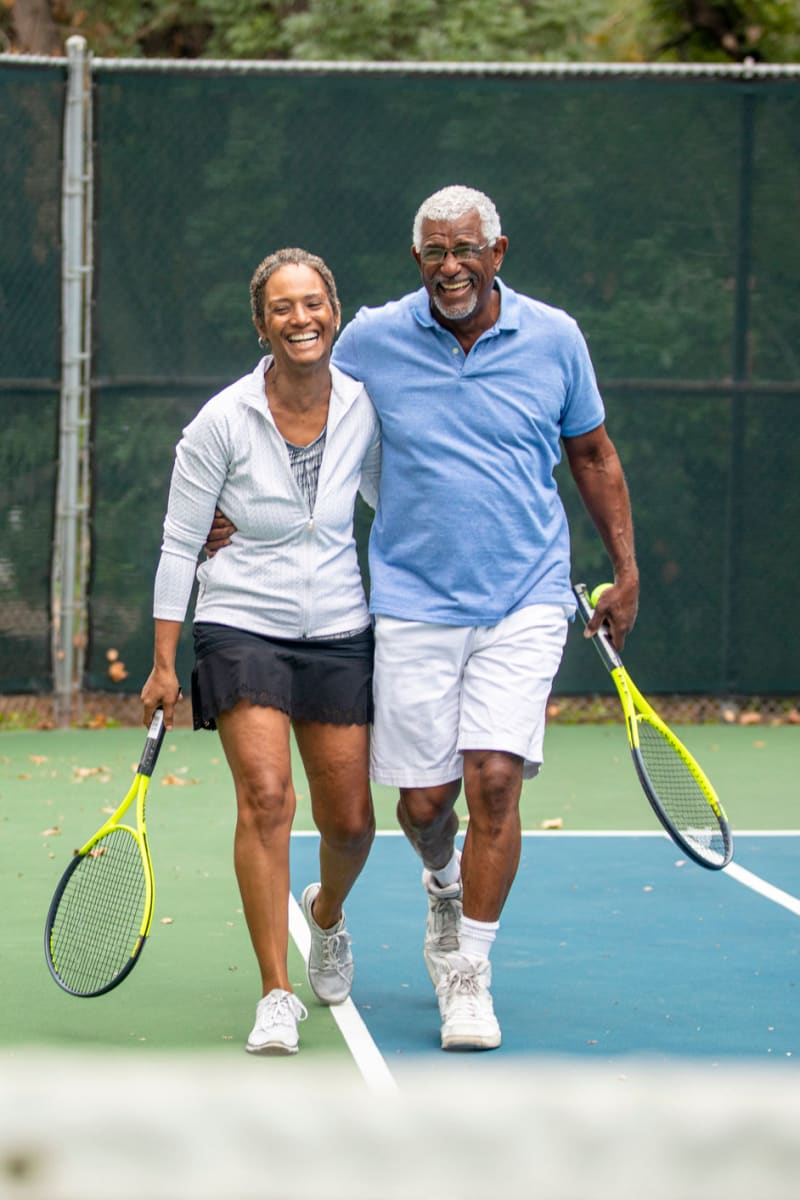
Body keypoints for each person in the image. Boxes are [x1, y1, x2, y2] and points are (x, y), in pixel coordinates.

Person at [209, 186, 639, 1053]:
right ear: (418, 261)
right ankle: (437, 880)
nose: (451, 267)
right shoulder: (370, 337)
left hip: (525, 598)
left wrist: (625, 574)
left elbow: (591, 453)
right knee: (421, 805)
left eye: (466, 250)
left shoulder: (555, 338)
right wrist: (230, 497)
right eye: (435, 253)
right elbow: (293, 394)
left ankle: (467, 974)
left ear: (499, 252)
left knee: (494, 781)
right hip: (408, 604)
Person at [141, 247, 381, 1057]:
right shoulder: (221, 420)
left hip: (341, 626)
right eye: (283, 307)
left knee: (349, 823)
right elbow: (180, 541)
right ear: (262, 323)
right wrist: (165, 660)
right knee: (268, 798)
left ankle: (326, 915)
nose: (300, 318)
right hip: (242, 620)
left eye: (313, 303)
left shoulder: (365, 406)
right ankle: (277, 990)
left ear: (335, 312)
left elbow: (395, 496)